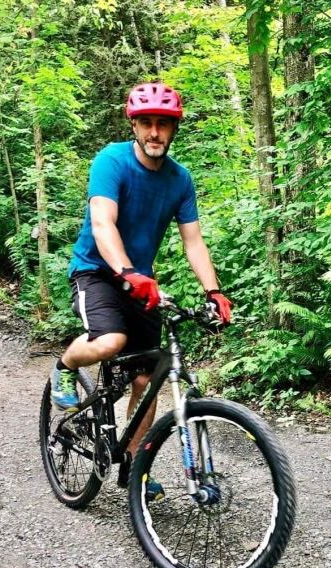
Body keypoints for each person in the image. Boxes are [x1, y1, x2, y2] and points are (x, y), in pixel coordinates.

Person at [51, 82, 232, 499]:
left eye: (163, 125)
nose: (155, 133)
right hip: (97, 271)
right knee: (110, 341)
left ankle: (135, 467)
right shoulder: (111, 161)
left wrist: (214, 291)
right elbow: (103, 223)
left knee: (149, 378)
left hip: (141, 282)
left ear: (173, 130)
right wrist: (128, 271)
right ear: (134, 125)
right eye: (146, 123)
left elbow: (193, 242)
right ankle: (64, 365)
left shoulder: (178, 179)